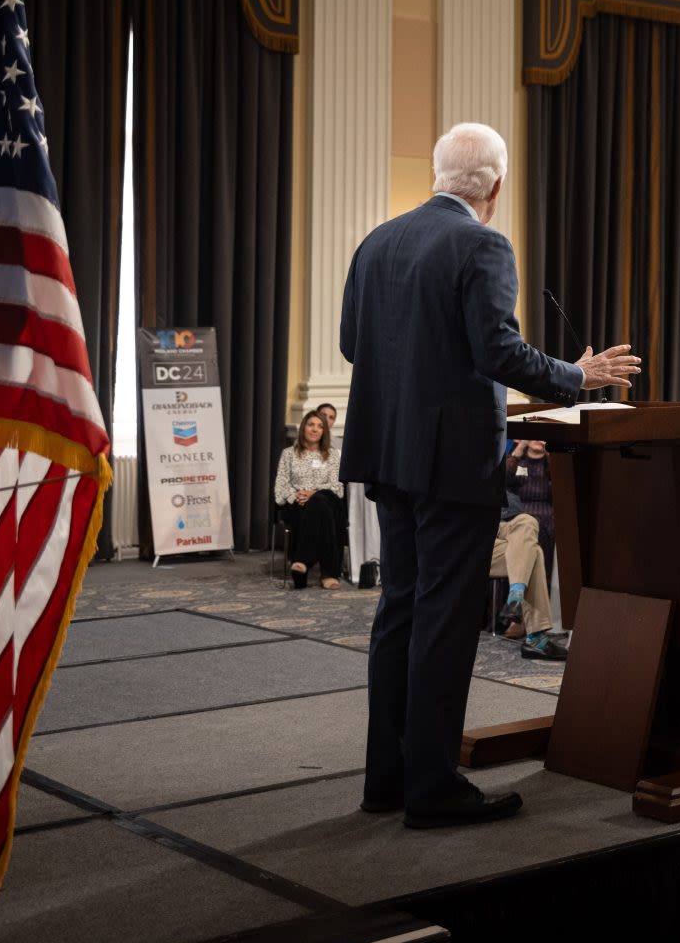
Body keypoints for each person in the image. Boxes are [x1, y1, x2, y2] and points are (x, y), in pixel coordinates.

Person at [340, 121, 640, 829]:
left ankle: (387, 778)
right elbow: (498, 350)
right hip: (450, 466)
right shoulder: (482, 243)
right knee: (443, 620)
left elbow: (353, 344)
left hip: (390, 455)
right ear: (496, 188)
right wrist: (580, 374)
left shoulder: (378, 240)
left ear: (439, 172)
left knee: (400, 611)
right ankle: (435, 788)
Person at [274, 411, 345, 590]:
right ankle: (328, 573)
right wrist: (296, 495)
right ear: (303, 427)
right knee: (320, 511)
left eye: (320, 426)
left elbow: (338, 488)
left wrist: (313, 493)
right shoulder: (288, 454)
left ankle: (302, 561)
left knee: (320, 501)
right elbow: (280, 488)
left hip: (327, 499)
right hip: (298, 504)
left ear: (324, 432)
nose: (315, 429)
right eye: (311, 424)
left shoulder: (333, 454)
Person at [490, 490, 560, 660]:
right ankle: (536, 639)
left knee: (527, 521)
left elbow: (511, 501)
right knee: (534, 552)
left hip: (501, 523)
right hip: (471, 539)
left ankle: (516, 595)